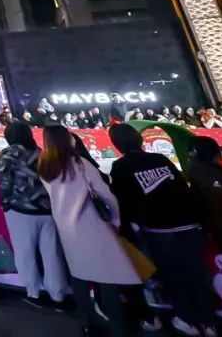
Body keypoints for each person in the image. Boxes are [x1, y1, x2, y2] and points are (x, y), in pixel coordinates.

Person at [39, 125, 158, 337]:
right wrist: (115, 220)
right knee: (107, 280)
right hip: (93, 227)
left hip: (67, 231)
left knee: (80, 279)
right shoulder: (80, 164)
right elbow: (106, 195)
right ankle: (118, 329)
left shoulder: (45, 167)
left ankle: (86, 324)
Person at [108, 124, 216, 337]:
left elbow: (122, 201)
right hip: (188, 222)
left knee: (174, 275)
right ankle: (208, 322)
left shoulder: (121, 166)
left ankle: (186, 319)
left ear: (116, 144)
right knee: (196, 273)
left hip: (160, 228)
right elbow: (182, 186)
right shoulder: (160, 159)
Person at [0, 121, 69, 309]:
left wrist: (5, 203)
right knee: (52, 254)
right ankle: (58, 296)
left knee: (25, 253)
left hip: (21, 210)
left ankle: (33, 293)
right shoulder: (41, 152)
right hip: (47, 210)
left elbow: (4, 182)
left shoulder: (9, 153)